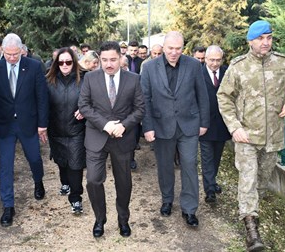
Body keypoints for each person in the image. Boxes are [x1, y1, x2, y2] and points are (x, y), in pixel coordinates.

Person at [217, 20, 285, 252]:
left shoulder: (283, 63)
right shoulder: (238, 67)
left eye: (268, 38)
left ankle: (252, 208)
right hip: (246, 136)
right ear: (250, 41)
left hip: (273, 137)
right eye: (260, 39)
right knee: (247, 178)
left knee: (262, 180)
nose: (265, 42)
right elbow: (224, 97)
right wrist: (234, 126)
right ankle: (251, 230)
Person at [141, 31, 210, 228]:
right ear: (163, 48)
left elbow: (202, 95)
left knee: (189, 165)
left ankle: (189, 209)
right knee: (164, 166)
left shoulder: (194, 65)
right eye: (170, 48)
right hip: (161, 125)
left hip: (189, 124)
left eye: (178, 49)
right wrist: (148, 127)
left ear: (183, 48)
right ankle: (167, 199)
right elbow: (144, 99)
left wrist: (203, 123)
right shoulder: (149, 68)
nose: (174, 52)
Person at [78, 41, 145, 238]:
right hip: (96, 137)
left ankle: (123, 219)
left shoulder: (133, 79)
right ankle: (100, 219)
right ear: (100, 59)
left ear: (121, 58)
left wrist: (123, 125)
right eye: (105, 60)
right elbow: (84, 106)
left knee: (123, 182)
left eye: (113, 60)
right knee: (92, 180)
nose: (109, 64)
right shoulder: (90, 78)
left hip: (122, 139)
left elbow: (140, 109)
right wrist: (105, 125)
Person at [0, 33, 49, 227]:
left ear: (22, 51)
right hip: (5, 124)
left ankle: (38, 181)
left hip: (28, 123)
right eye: (8, 54)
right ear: (3, 51)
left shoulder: (33, 67)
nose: (12, 58)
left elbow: (42, 97)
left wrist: (42, 124)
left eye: (16, 54)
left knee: (34, 158)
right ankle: (8, 206)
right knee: (5, 166)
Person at [46, 47, 86, 214]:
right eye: (61, 62)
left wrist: (85, 109)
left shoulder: (85, 79)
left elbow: (94, 98)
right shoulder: (48, 80)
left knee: (75, 166)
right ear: (56, 63)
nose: (64, 65)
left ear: (74, 62)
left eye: (68, 61)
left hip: (76, 131)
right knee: (62, 162)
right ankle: (65, 183)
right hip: (55, 131)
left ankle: (76, 198)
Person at [199, 45, 231, 205]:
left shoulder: (227, 72)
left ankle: (212, 180)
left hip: (223, 124)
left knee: (217, 156)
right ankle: (210, 190)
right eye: (211, 60)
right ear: (205, 59)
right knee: (207, 157)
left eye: (218, 60)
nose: (215, 63)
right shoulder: (198, 73)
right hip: (205, 124)